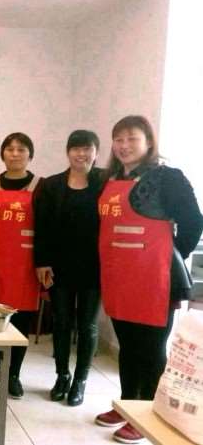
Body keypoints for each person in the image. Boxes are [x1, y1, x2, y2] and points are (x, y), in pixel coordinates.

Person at [93, 116, 203, 444]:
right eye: (119, 139)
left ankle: (150, 415)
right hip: (118, 276)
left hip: (155, 279)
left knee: (151, 348)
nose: (124, 146)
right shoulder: (110, 179)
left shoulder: (167, 178)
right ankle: (128, 405)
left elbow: (194, 221)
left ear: (149, 142)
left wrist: (169, 255)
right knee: (128, 345)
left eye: (132, 139)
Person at [34, 130, 104, 406]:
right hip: (59, 266)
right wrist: (41, 261)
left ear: (96, 152)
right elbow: (42, 226)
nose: (81, 154)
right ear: (68, 152)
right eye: (76, 148)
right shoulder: (52, 185)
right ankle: (62, 375)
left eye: (87, 149)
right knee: (61, 322)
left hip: (94, 267)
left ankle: (80, 380)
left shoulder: (106, 183)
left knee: (87, 325)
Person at [0, 132, 42, 399]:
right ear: (2, 153)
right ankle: (0, 368)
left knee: (21, 319)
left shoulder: (40, 186)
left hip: (24, 265)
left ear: (30, 155)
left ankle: (13, 373)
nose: (15, 154)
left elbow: (46, 227)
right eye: (10, 149)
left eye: (21, 149)